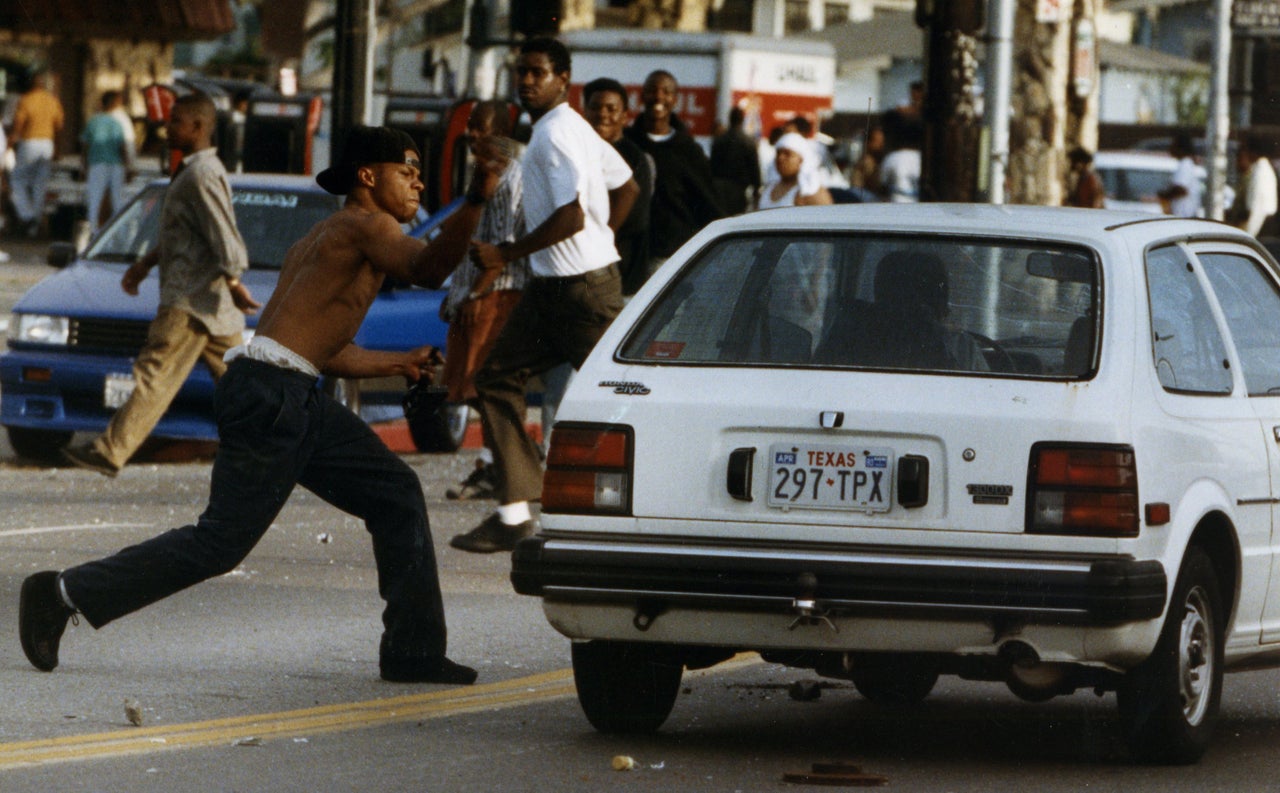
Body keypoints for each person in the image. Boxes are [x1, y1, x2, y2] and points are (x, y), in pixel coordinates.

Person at [20, 123, 506, 683]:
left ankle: (413, 652)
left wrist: (395, 364)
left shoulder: (322, 237)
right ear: (369, 177)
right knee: (219, 544)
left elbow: (315, 345)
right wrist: (473, 201)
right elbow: (427, 269)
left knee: (396, 494)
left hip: (282, 387)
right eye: (408, 171)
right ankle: (60, 592)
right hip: (274, 398)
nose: (419, 183)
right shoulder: (370, 225)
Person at [448, 37, 638, 554]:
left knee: (631, 396)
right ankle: (513, 513)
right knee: (495, 377)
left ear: (563, 78)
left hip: (579, 293)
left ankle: (659, 511)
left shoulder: (555, 136)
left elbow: (573, 215)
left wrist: (507, 254)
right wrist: (605, 241)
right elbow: (627, 186)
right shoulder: (571, 126)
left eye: (538, 73)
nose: (527, 81)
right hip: (556, 288)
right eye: (522, 72)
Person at [61, 94, 259, 477]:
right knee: (241, 389)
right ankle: (274, 451)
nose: (168, 128)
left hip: (190, 300)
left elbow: (223, 235)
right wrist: (143, 264)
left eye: (176, 122)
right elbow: (182, 235)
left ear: (199, 128)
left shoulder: (202, 174)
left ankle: (110, 450)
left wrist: (234, 277)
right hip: (212, 303)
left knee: (155, 376)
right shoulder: (189, 171)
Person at [440, 100, 529, 502]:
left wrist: (477, 294)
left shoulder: (513, 176)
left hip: (496, 293)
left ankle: (509, 471)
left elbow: (505, 245)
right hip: (475, 291)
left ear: (502, 134)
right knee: (477, 390)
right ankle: (497, 467)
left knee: (490, 387)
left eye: (481, 129)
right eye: (471, 128)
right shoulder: (484, 174)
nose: (472, 136)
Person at [623, 69, 722, 275]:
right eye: (652, 90)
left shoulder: (688, 150)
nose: (659, 96)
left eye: (666, 92)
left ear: (675, 100)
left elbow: (708, 204)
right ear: (642, 97)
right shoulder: (627, 144)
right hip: (629, 255)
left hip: (670, 257)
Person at [582, 77, 653, 296]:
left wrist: (595, 241)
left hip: (623, 275)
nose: (602, 114)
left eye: (611, 109)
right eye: (595, 107)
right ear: (585, 112)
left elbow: (635, 217)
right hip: (582, 271)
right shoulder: (579, 152)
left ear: (624, 116)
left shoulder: (635, 159)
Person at [10, 70, 65, 237]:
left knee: (17, 179)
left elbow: (20, 122)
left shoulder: (26, 100)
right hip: (47, 143)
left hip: (30, 142)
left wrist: (12, 139)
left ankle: (27, 215)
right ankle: (35, 224)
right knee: (39, 184)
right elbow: (59, 126)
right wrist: (57, 148)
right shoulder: (52, 101)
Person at [81, 91, 132, 235]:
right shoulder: (116, 123)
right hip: (116, 164)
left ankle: (93, 231)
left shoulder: (93, 121)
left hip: (97, 163)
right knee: (117, 199)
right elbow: (123, 147)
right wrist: (127, 167)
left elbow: (85, 145)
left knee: (94, 198)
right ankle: (120, 233)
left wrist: (84, 166)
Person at [757, 132, 833, 209]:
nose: (780, 158)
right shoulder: (768, 189)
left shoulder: (812, 192)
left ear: (801, 160)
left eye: (787, 154)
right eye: (778, 153)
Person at [710, 106, 761, 216]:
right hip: (739, 190)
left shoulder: (719, 140)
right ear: (742, 120)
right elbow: (754, 169)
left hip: (718, 189)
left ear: (730, 119)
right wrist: (756, 190)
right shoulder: (748, 142)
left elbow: (712, 166)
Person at [1227, 134, 1278, 238]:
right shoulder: (1257, 169)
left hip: (1260, 229)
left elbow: (1254, 210)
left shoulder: (1260, 172)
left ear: (1252, 153)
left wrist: (1246, 237)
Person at [879, 109, 922, 203]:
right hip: (919, 207)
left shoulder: (892, 158)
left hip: (896, 207)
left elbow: (882, 187)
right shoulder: (921, 158)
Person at [1157, 132, 1202, 218]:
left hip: (1185, 216)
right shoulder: (1186, 163)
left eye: (1173, 144)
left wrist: (1165, 195)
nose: (1170, 148)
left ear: (1180, 147)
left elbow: (1181, 189)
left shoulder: (1185, 164)